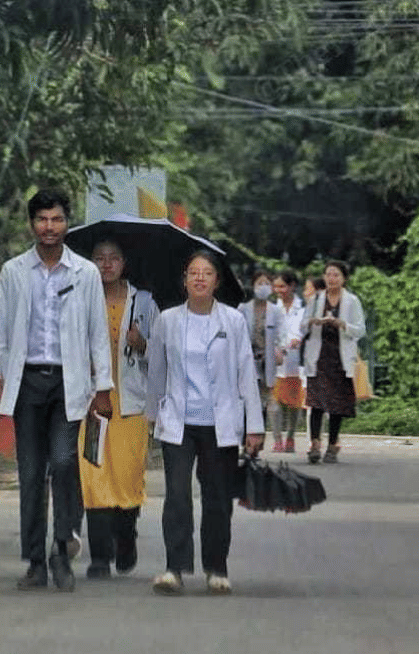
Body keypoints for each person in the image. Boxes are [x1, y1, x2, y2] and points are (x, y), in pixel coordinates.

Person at [0, 189, 113, 593]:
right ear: (31, 224)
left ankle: (63, 547)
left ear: (67, 223)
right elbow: (0, 333)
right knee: (30, 473)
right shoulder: (14, 271)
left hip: (68, 383)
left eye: (56, 219)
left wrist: (103, 387)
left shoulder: (85, 273)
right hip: (26, 383)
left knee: (62, 462)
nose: (49, 227)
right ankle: (35, 561)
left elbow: (97, 335)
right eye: (42, 220)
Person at [147, 250, 264, 596]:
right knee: (178, 495)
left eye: (207, 272)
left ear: (217, 280)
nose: (199, 278)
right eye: (193, 272)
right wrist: (151, 417)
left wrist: (254, 425)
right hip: (178, 421)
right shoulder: (167, 320)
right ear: (184, 280)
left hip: (220, 422)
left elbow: (246, 374)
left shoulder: (233, 321)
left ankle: (218, 567)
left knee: (217, 497)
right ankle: (174, 568)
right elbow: (157, 371)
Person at [79, 239, 159, 579]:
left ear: (124, 263)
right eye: (99, 258)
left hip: (131, 405)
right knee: (94, 476)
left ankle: (126, 537)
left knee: (127, 478)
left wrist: (144, 344)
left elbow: (162, 355)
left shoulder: (145, 302)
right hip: (92, 406)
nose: (106, 264)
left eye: (113, 258)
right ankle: (99, 556)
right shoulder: (81, 299)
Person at [301, 260, 366, 464]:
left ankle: (332, 444)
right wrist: (313, 322)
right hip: (319, 357)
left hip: (339, 359)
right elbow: (302, 326)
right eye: (328, 274)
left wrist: (342, 324)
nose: (331, 279)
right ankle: (314, 444)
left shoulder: (352, 301)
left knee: (336, 404)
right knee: (316, 402)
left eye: (336, 275)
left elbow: (360, 330)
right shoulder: (316, 299)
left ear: (344, 278)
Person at [238, 270, 285, 450]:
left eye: (266, 283)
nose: (263, 287)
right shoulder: (243, 309)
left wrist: (280, 350)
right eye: (259, 283)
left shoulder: (275, 311)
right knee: (247, 400)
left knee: (263, 402)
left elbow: (282, 335)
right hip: (248, 360)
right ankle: (245, 441)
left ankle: (258, 442)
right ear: (253, 285)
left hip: (267, 361)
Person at [271, 270, 306, 452]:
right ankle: (277, 439)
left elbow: (303, 330)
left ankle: (291, 437)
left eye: (282, 286)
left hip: (295, 360)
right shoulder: (273, 309)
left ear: (292, 286)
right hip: (276, 359)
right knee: (275, 403)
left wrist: (297, 339)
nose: (279, 290)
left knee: (294, 403)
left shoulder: (303, 308)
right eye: (276, 286)